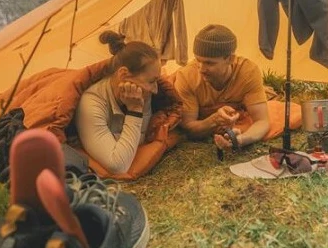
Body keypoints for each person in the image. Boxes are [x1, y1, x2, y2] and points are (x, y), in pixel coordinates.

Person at [174, 24, 271, 153]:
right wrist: (214, 120)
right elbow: (188, 128)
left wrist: (241, 140)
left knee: (283, 115)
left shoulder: (248, 72)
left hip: (235, 122)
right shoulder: (186, 76)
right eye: (198, 60)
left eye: (209, 63)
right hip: (205, 120)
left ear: (230, 59)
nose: (201, 69)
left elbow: (262, 121)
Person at [74, 31, 161, 175]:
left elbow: (143, 137)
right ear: (124, 74)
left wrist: (119, 141)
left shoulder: (142, 92)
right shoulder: (92, 103)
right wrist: (135, 110)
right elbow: (118, 165)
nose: (155, 90)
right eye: (151, 81)